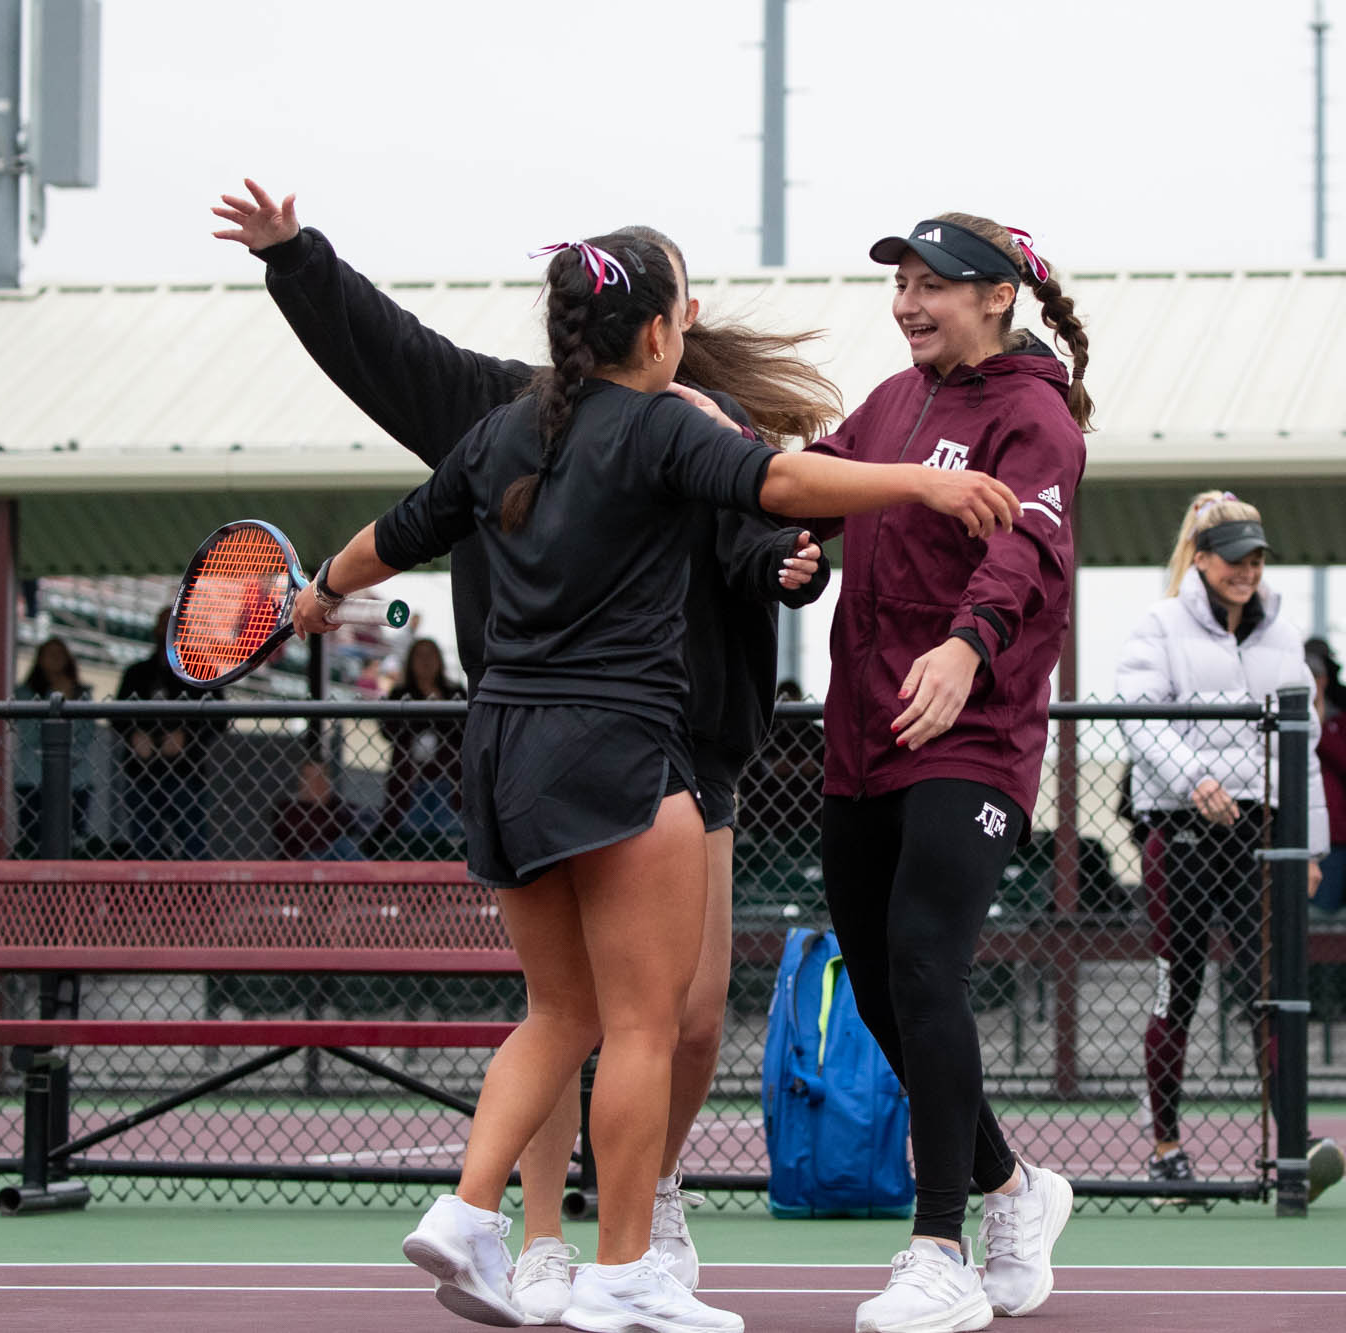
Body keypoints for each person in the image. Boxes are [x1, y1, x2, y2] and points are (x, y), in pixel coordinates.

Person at [290, 228, 1017, 1331]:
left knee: (557, 1013)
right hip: (623, 754)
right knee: (641, 1023)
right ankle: (618, 1267)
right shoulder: (664, 429)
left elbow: (391, 537)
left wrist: (315, 592)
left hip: (503, 755)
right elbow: (777, 476)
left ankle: (464, 1210)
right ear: (664, 328)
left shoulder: (497, 437)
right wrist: (918, 482)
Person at [216, 181, 841, 1321]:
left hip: (685, 747)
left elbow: (764, 532)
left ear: (676, 319)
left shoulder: (698, 423)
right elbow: (381, 347)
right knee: (577, 1010)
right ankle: (545, 1238)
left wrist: (787, 566)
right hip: (561, 738)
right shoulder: (499, 414)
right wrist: (295, 256)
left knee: (686, 1015)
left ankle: (635, 1206)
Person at [799, 215, 1086, 1332]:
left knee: (924, 961)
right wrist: (791, 558)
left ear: (997, 297)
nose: (909, 303)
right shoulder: (886, 403)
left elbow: (1028, 547)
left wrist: (968, 642)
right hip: (861, 734)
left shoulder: (1033, 416)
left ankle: (938, 1247)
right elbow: (811, 485)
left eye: (934, 286)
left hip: (973, 731)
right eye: (903, 285)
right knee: (878, 989)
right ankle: (1014, 1190)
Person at [1115, 491, 1339, 1206]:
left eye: (1257, 559)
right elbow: (1139, 718)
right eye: (1235, 558)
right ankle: (1166, 1148)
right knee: (1176, 990)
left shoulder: (1283, 635)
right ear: (1203, 559)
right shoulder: (1158, 624)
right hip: (1180, 830)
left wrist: (1311, 846)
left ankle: (1291, 1148)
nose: (1247, 571)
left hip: (1260, 835)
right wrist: (1192, 778)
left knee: (1271, 992)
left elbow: (1302, 752)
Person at [114, 609, 227, 860]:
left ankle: (195, 898)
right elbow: (117, 715)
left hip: (186, 771)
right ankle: (146, 898)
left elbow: (220, 718)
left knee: (193, 845)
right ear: (155, 630)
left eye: (174, 624)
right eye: (163, 624)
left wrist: (186, 734)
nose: (167, 631)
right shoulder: (138, 673)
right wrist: (134, 734)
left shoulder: (201, 668)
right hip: (142, 771)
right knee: (144, 846)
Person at [381, 638, 469, 842]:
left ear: (440, 661)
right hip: (409, 779)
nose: (426, 661)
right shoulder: (400, 693)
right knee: (409, 837)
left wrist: (436, 704)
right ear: (411, 661)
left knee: (451, 837)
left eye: (431, 655)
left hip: (450, 777)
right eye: (420, 655)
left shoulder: (454, 693)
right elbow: (388, 731)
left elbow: (467, 731)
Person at [14, 638, 94, 851]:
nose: (56, 659)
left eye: (61, 653)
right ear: (39, 660)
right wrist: (56, 699)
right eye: (50, 654)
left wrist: (70, 699)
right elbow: (32, 734)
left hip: (75, 780)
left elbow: (85, 735)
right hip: (33, 779)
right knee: (33, 840)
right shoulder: (24, 694)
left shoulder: (82, 694)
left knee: (73, 841)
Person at [1307, 642, 1346, 912]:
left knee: (1324, 918)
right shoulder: (1273, 718)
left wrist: (1315, 723)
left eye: (1314, 676)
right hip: (1284, 831)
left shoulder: (1344, 720)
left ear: (1324, 680)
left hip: (1333, 833)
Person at [271, 758, 363, 860]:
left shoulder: (337, 804)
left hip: (335, 858)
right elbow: (310, 834)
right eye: (309, 778)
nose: (316, 783)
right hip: (303, 861)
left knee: (344, 845)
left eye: (321, 777)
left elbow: (359, 819)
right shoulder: (288, 808)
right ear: (300, 781)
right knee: (342, 845)